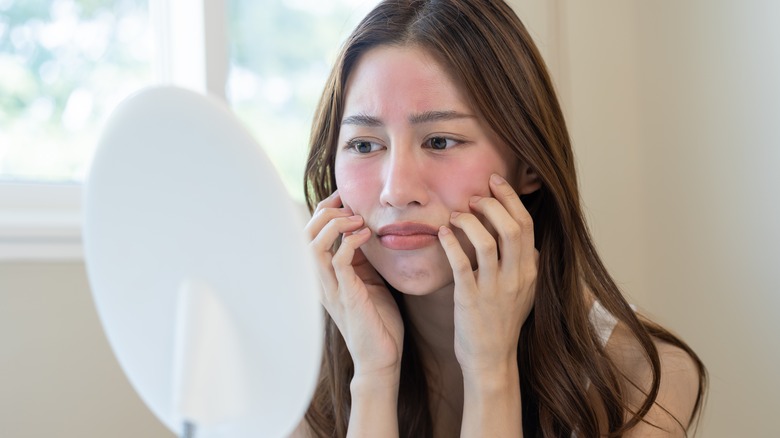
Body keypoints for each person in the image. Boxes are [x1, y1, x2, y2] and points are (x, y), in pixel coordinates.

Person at [296, 0, 707, 436]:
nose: (396, 191)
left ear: (528, 164)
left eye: (439, 141)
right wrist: (374, 375)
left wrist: (490, 373)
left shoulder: (641, 378)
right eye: (363, 145)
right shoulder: (296, 369)